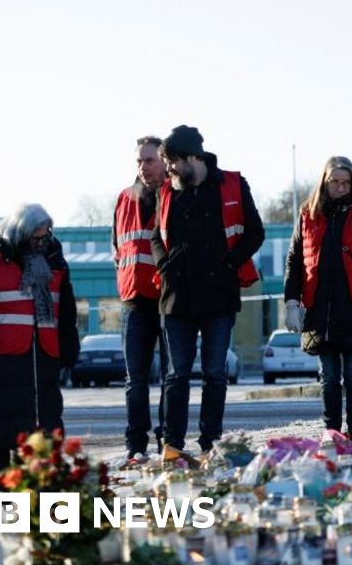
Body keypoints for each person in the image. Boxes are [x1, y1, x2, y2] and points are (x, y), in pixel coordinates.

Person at [151, 125, 264, 453]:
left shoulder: (233, 184)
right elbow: (156, 236)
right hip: (177, 298)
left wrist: (230, 263)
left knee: (215, 373)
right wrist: (164, 266)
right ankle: (172, 446)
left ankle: (210, 443)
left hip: (219, 295)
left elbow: (255, 233)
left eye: (171, 160)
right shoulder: (167, 191)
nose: (168, 168)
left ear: (191, 157)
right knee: (176, 374)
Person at [0, 204, 80, 487]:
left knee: (42, 438)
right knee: (1, 433)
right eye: (36, 238)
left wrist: (69, 348)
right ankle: (7, 498)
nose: (42, 243)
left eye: (46, 237)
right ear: (20, 234)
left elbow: (67, 313)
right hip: (0, 363)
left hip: (43, 360)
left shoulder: (55, 264)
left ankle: (39, 511)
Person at [283, 156, 352, 436]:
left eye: (347, 182)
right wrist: (291, 302)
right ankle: (331, 432)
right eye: (336, 181)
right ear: (325, 181)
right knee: (329, 377)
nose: (341, 187)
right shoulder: (308, 213)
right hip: (321, 308)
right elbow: (295, 259)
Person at [113, 135, 170, 460]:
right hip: (134, 301)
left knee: (169, 378)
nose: (143, 167)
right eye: (139, 161)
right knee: (135, 380)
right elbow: (117, 248)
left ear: (163, 162)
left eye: (149, 160)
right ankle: (136, 446)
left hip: (167, 302)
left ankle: (167, 442)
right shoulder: (124, 199)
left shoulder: (174, 196)